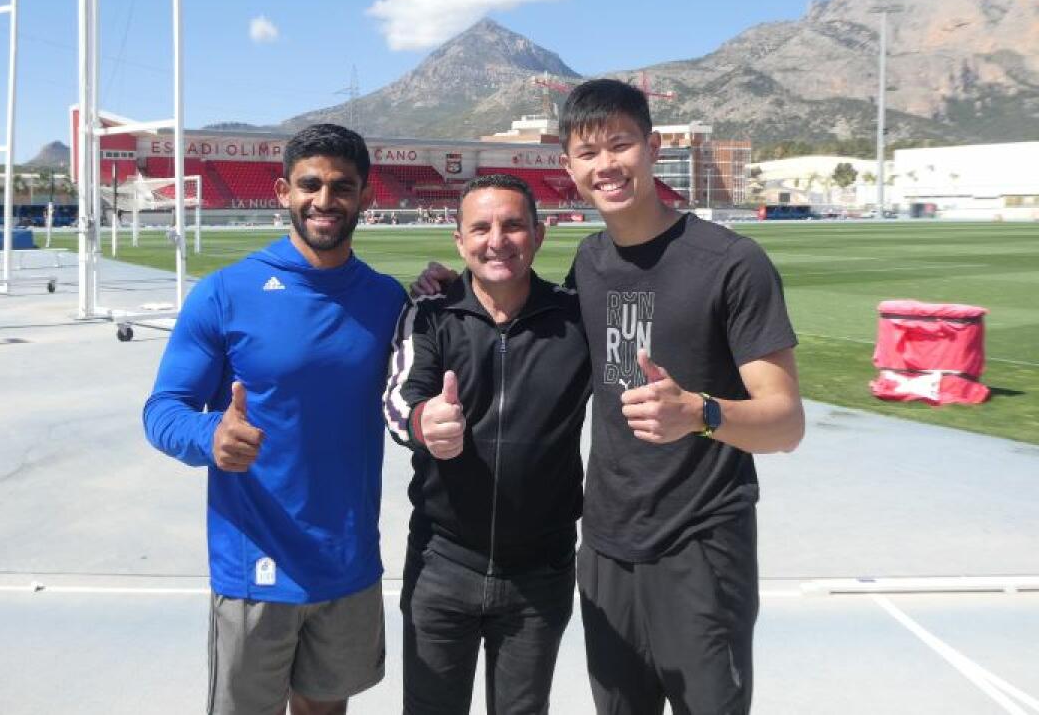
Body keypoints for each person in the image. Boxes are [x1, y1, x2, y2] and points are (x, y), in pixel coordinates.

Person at [414, 79, 804, 714]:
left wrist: (701, 413)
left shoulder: (732, 263)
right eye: (588, 152)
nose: (607, 165)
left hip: (700, 544)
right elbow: (519, 308)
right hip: (605, 547)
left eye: (621, 145)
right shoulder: (590, 266)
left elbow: (786, 422)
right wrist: (444, 284)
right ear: (568, 168)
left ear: (652, 148)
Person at [143, 124, 407, 715]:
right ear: (282, 191)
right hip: (254, 562)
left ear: (366, 197)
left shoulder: (389, 300)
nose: (325, 200)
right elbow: (162, 410)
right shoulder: (224, 294)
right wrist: (209, 434)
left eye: (342, 186)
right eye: (310, 184)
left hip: (347, 559)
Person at [384, 173, 592, 715]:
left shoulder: (576, 320)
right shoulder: (429, 314)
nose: (496, 239)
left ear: (539, 235)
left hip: (540, 573)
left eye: (513, 225)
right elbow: (398, 403)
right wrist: (425, 422)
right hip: (442, 562)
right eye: (480, 227)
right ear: (459, 240)